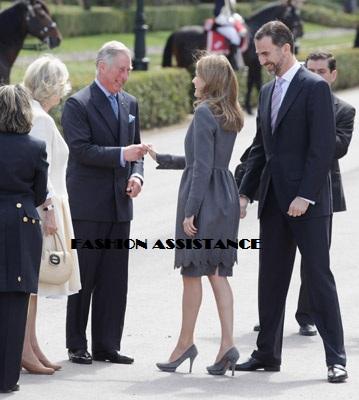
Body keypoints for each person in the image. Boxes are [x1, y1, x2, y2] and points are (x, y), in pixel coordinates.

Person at [235, 21, 347, 383]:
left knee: (318, 280)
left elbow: (322, 148)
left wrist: (306, 195)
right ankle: (267, 353)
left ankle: (336, 359)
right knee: (271, 281)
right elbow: (259, 149)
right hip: (273, 204)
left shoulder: (314, 87)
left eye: (266, 53)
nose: (262, 59)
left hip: (308, 204)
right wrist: (245, 192)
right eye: (259, 53)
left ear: (286, 48)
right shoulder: (268, 92)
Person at [147, 53, 244, 376]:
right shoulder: (228, 113)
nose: (193, 80)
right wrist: (164, 158)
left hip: (205, 200)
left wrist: (190, 211)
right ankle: (227, 344)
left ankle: (185, 344)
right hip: (225, 194)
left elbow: (201, 168)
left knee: (192, 273)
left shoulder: (204, 113)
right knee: (218, 272)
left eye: (198, 75)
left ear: (210, 80)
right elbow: (205, 161)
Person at [62, 41, 146, 365]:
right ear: (102, 66)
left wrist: (137, 176)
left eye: (128, 70)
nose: (124, 76)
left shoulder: (131, 103)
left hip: (120, 206)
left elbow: (136, 149)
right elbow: (82, 150)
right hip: (89, 206)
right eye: (120, 69)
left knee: (114, 279)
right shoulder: (77, 104)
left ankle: (107, 344)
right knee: (84, 278)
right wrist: (123, 156)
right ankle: (76, 344)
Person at [21, 55, 81, 374]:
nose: (62, 95)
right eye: (61, 88)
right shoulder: (40, 118)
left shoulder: (31, 112)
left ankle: (31, 346)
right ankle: (26, 350)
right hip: (45, 206)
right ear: (51, 86)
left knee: (33, 285)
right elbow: (39, 171)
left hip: (44, 204)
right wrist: (49, 212)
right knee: (33, 284)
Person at [294, 51, 356, 336]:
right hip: (287, 185)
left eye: (321, 71)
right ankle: (268, 316)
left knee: (315, 259)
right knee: (275, 259)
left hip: (322, 192)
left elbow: (337, 148)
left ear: (333, 75)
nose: (316, 76)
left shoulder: (344, 110)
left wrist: (313, 126)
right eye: (311, 70)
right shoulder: (292, 102)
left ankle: (306, 314)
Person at [0, 84, 48, 393]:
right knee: (16, 300)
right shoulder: (35, 146)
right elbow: (40, 193)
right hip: (21, 222)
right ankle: (6, 377)